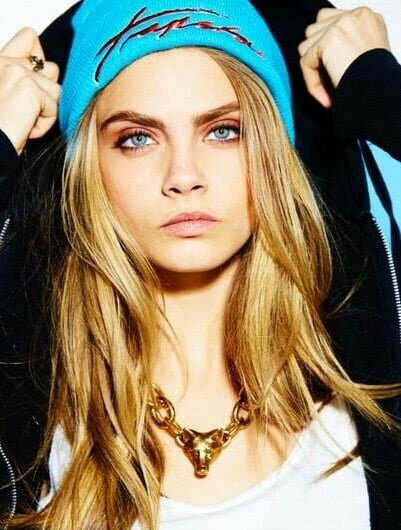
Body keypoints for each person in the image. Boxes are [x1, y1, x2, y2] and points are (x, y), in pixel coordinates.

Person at [0, 0, 400, 529]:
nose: (184, 176)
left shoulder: (374, 402)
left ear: (272, 154)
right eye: (137, 139)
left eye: (223, 131)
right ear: (89, 173)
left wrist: (383, 96)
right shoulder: (29, 428)